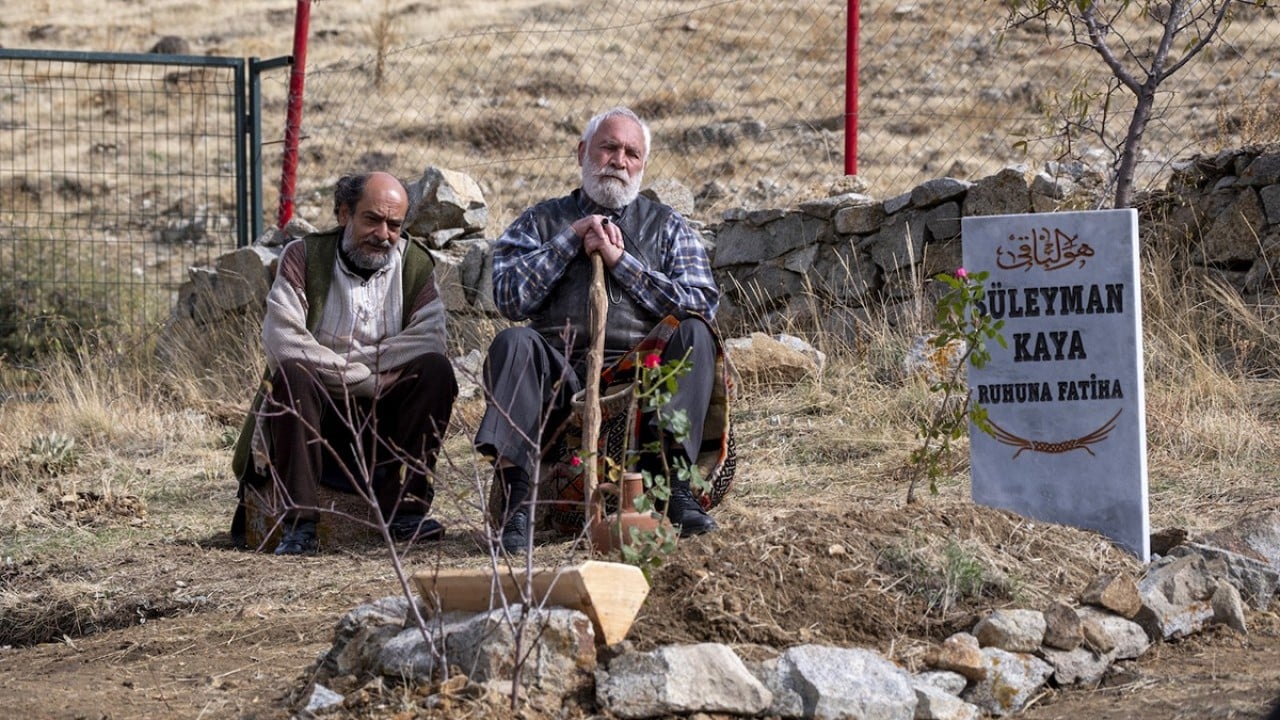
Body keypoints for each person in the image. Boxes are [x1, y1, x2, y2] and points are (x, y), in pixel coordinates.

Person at [474, 106, 728, 554]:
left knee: (695, 334)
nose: (619, 160)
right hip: (559, 370)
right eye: (608, 147)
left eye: (631, 153)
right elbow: (510, 297)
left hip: (641, 371)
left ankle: (675, 493)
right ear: (582, 153)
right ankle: (518, 504)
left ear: (642, 165)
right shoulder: (539, 222)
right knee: (513, 342)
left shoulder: (667, 227)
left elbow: (702, 303)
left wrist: (622, 264)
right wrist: (569, 240)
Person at [231, 171, 457, 555]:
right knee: (291, 375)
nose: (382, 234)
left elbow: (430, 337)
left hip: (384, 423)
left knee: (435, 370)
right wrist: (364, 378)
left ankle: (406, 513)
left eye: (394, 224)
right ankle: (300, 525)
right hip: (318, 416)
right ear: (343, 214)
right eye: (371, 219)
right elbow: (283, 342)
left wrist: (347, 367)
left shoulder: (415, 265)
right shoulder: (303, 257)